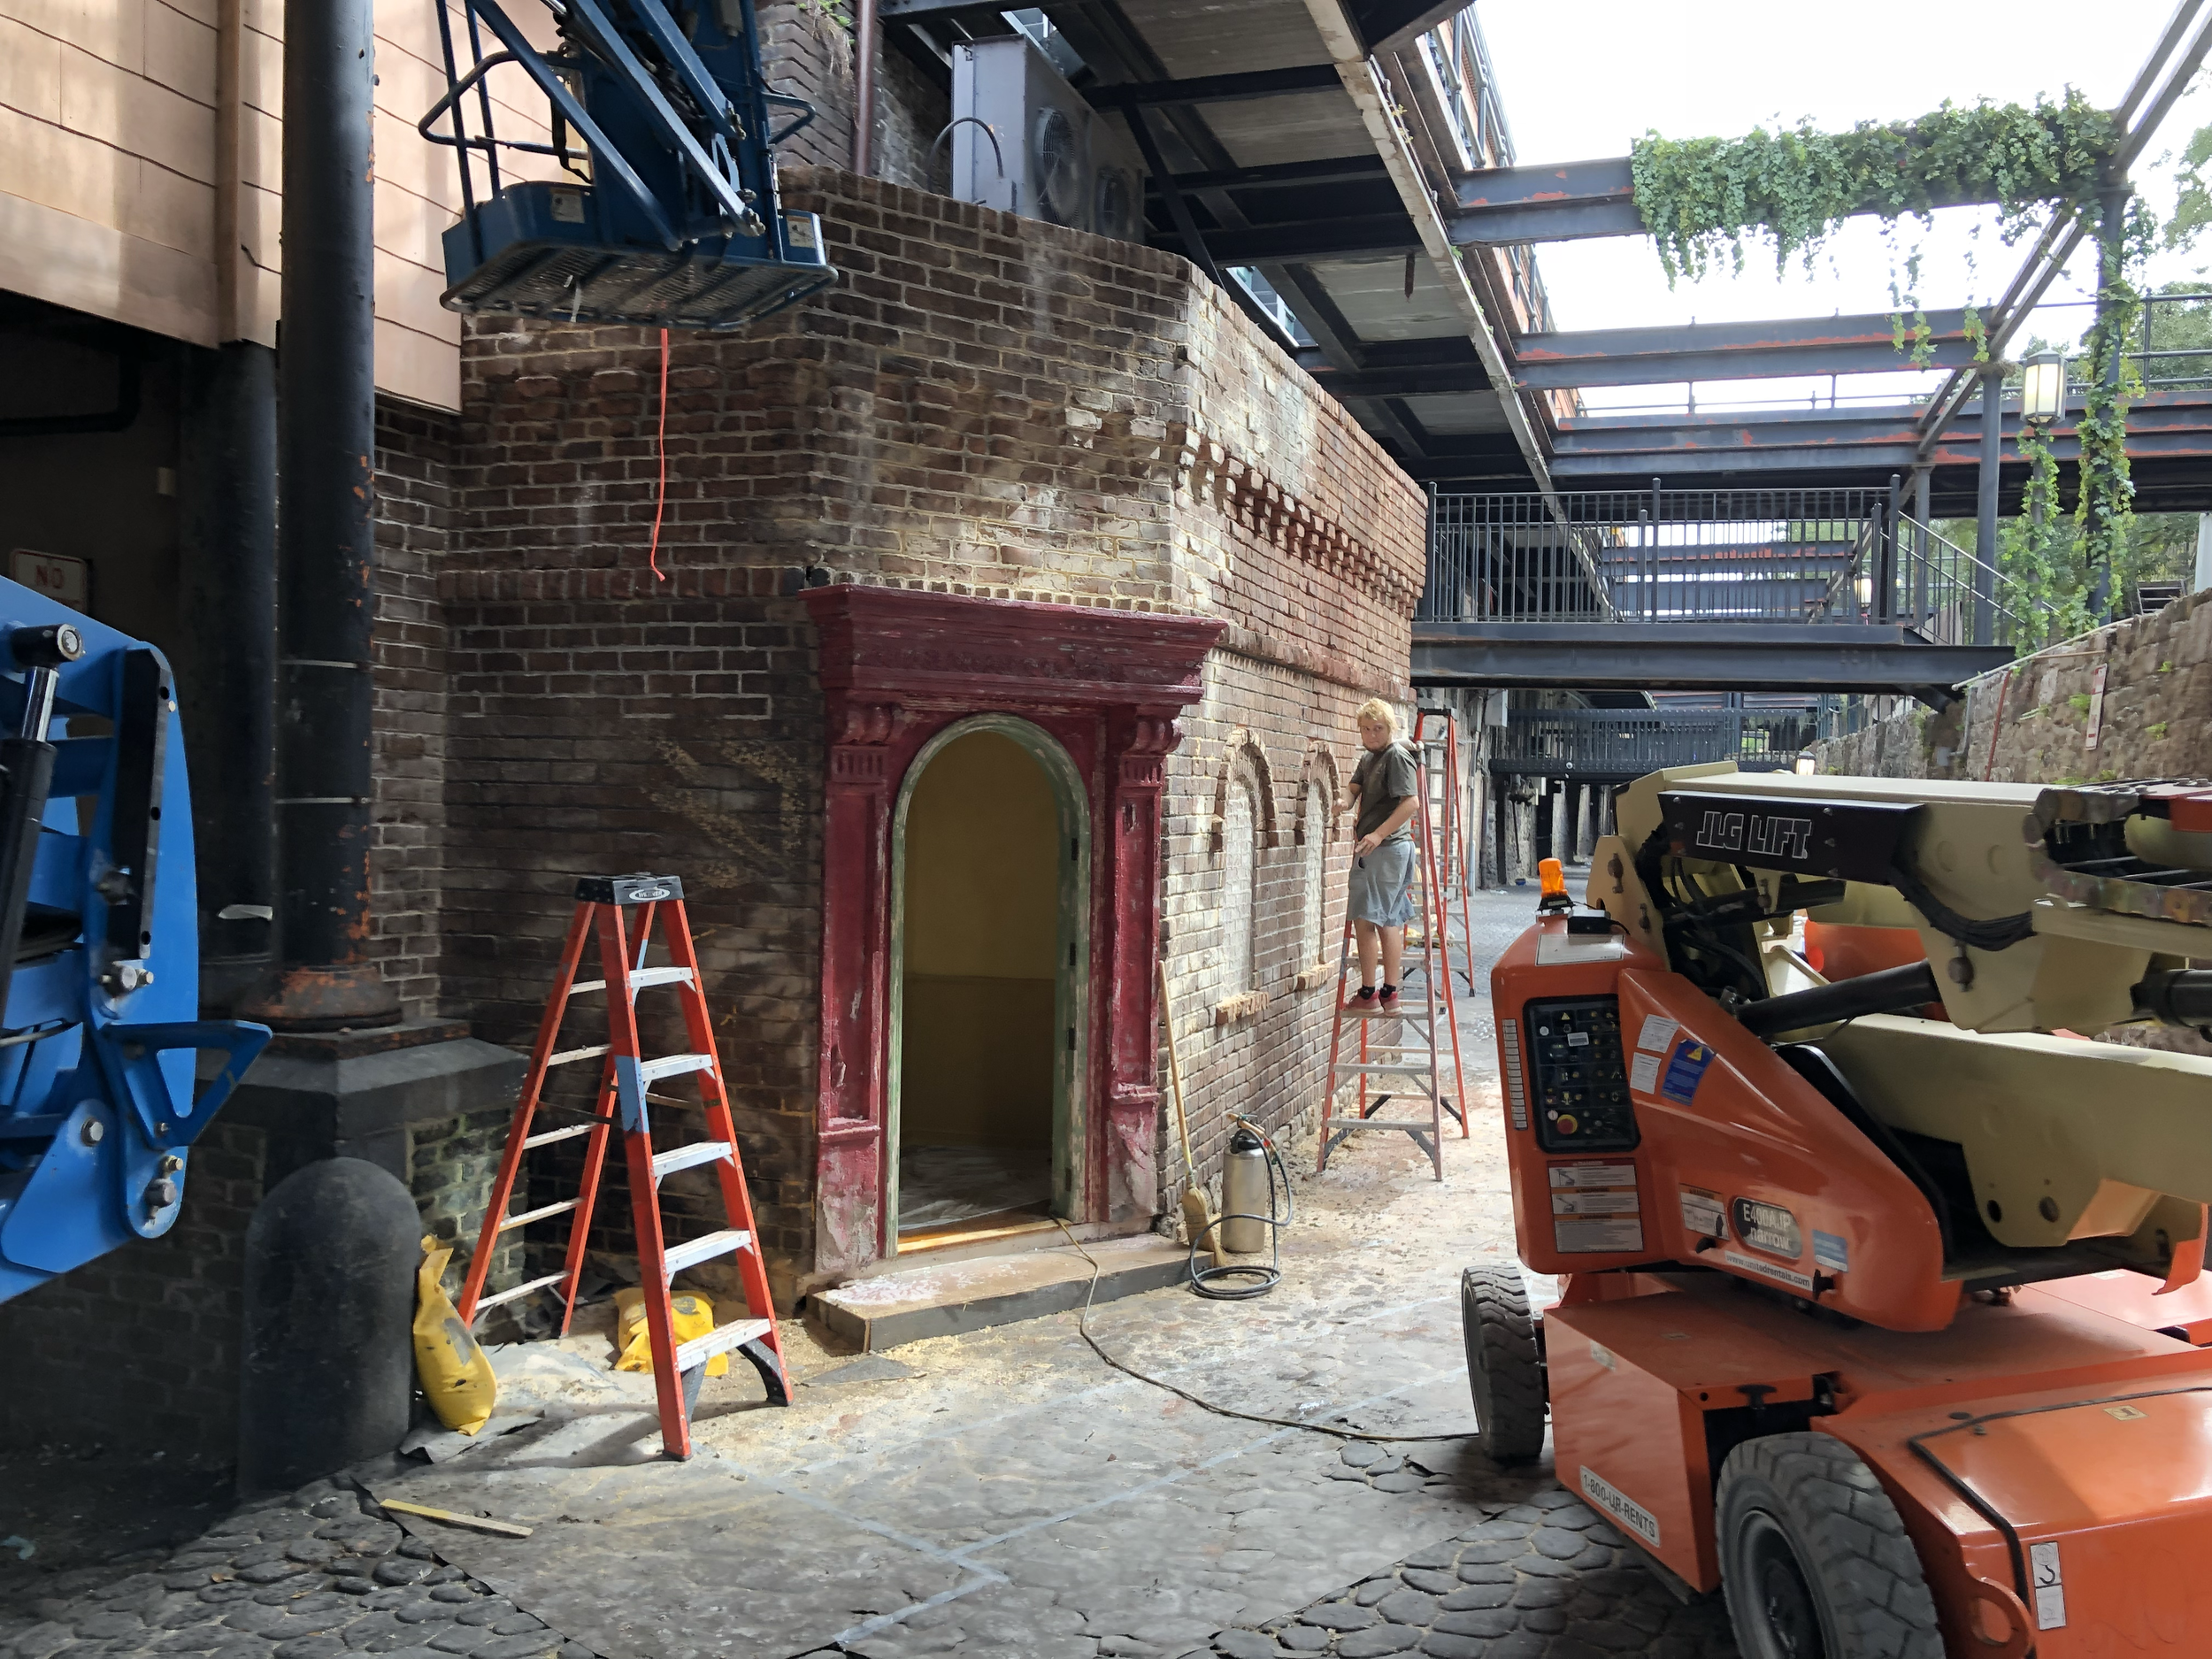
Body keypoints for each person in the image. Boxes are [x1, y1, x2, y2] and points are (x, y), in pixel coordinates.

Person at [1340, 697, 1419, 1010]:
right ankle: (1388, 994)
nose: (1372, 734)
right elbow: (1353, 789)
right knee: (1388, 919)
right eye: (1366, 729)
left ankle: (1369, 993)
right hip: (1384, 849)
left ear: (1389, 728)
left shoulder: (1396, 756)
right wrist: (1343, 802)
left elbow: (1411, 803)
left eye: (1378, 728)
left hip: (1386, 848)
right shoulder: (1369, 758)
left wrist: (1377, 834)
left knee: (1366, 919)